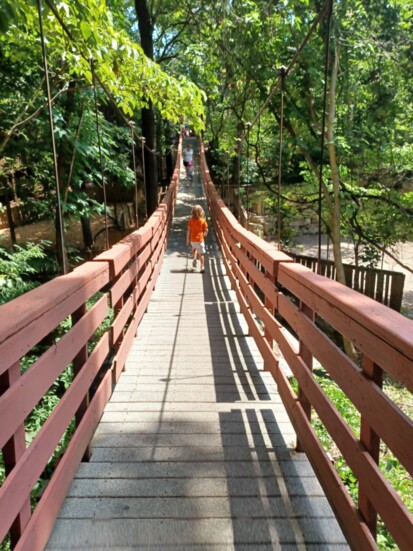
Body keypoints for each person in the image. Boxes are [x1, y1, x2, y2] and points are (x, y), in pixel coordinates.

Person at [186, 204, 208, 273]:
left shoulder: (191, 220)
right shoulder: (203, 220)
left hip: (193, 240)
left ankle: (194, 258)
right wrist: (205, 233)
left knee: (194, 249)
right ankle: (202, 267)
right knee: (201, 254)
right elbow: (206, 229)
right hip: (200, 240)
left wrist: (187, 239)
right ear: (201, 212)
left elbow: (188, 230)